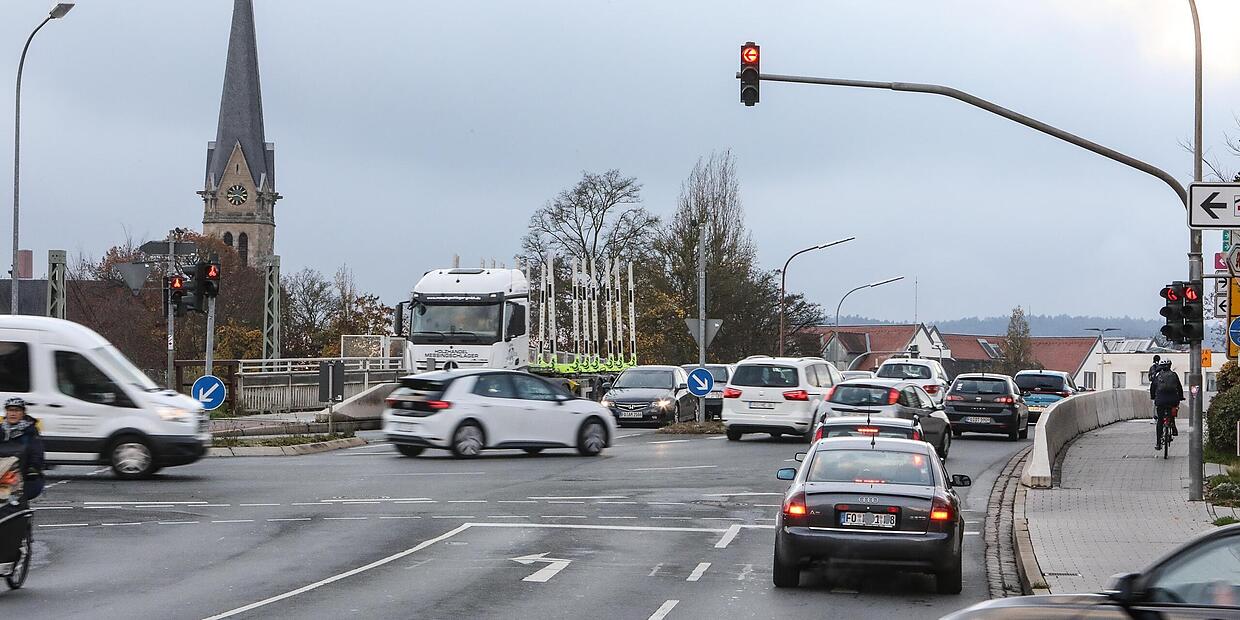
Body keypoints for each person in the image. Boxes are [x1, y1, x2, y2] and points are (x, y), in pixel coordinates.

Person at [0, 398, 44, 500]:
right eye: (10, 410)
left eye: (17, 410)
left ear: (23, 413)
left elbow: (37, 452)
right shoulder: (1, 429)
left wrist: (33, 468)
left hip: (21, 471)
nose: (13, 413)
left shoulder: (30, 431)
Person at [1152, 360, 1183, 451]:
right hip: (1173, 399)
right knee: (1172, 411)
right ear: (1170, 366)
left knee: (1160, 421)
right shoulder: (1174, 375)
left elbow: (1152, 388)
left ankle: (1158, 443)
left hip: (1161, 400)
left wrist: (1153, 397)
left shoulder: (1157, 375)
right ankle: (1173, 428)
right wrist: (1181, 397)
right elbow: (1179, 387)